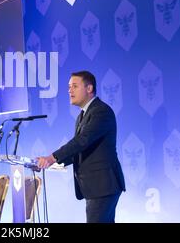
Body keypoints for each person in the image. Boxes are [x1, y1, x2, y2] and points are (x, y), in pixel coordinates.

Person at [37, 71, 125, 223]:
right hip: (96, 187)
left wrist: (52, 157)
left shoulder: (101, 111)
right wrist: (53, 163)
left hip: (103, 185)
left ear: (89, 88)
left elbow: (82, 140)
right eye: (69, 87)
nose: (69, 90)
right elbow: (82, 149)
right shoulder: (82, 115)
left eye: (75, 86)